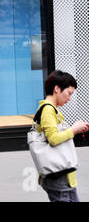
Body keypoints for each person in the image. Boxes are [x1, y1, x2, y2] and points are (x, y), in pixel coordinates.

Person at [35, 70, 89, 202]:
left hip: (62, 175)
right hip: (58, 177)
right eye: (69, 93)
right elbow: (53, 139)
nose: (69, 98)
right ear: (57, 89)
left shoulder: (52, 109)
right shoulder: (48, 110)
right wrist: (74, 130)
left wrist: (74, 128)